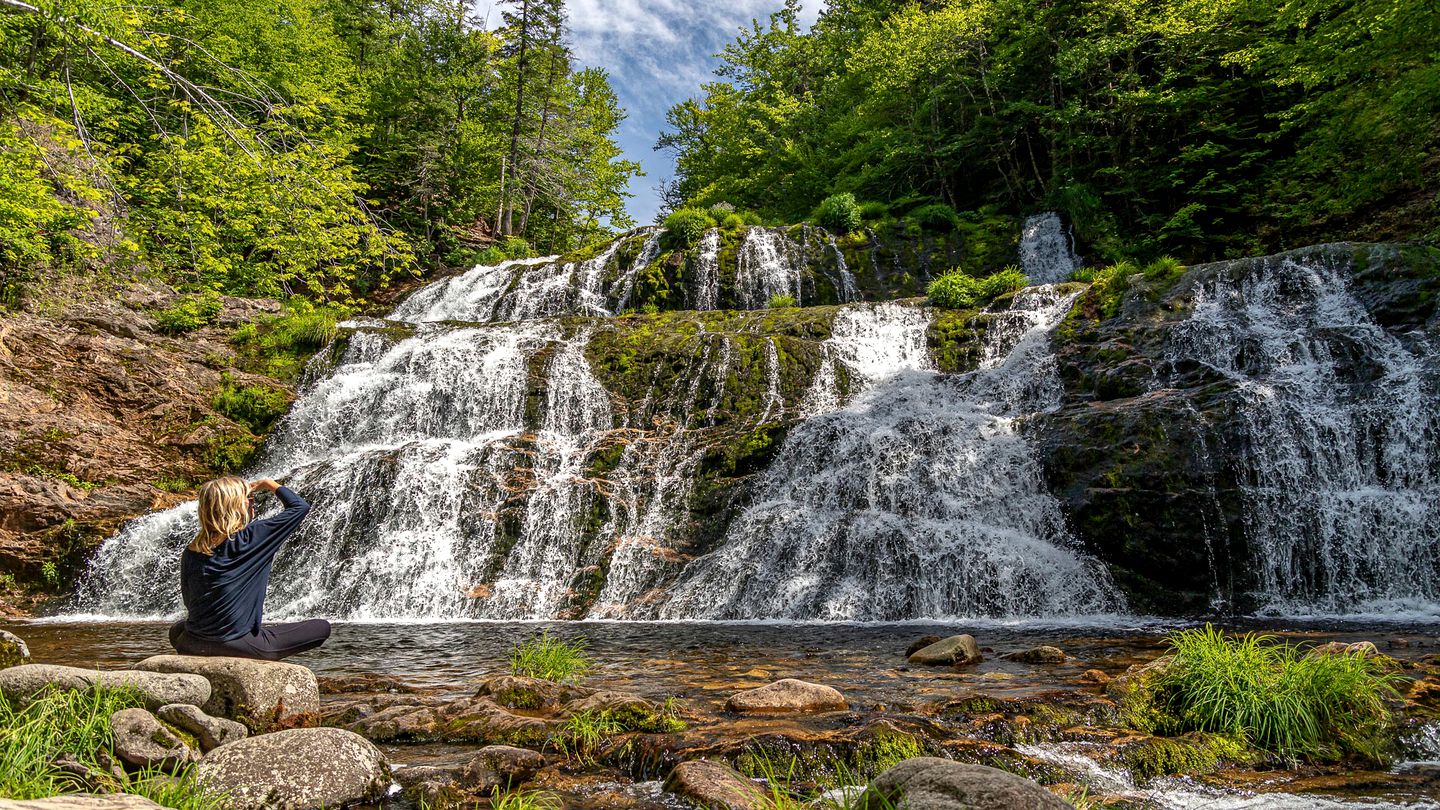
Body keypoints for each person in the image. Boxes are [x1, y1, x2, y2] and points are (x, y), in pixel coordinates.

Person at [168, 477, 330, 661]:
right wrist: (269, 484)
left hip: (191, 643)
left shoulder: (192, 550)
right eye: (249, 499)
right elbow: (299, 507)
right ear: (236, 506)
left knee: (178, 628)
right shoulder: (253, 536)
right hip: (238, 646)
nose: (252, 503)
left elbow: (190, 602)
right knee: (321, 627)